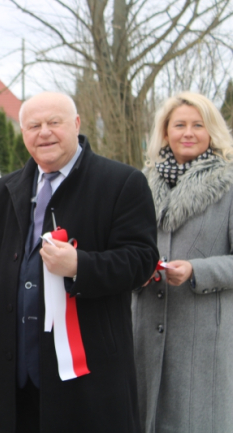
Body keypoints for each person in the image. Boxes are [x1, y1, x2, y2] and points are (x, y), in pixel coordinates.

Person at [0, 92, 159, 432]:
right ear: (23, 132)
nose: (44, 132)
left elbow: (141, 260)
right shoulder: (5, 190)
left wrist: (80, 265)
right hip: (12, 374)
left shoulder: (122, 182)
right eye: (34, 125)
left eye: (54, 122)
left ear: (76, 124)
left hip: (85, 376)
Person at [133, 92, 233, 433]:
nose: (187, 133)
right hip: (144, 331)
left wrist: (197, 270)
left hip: (204, 336)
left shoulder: (229, 185)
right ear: (165, 131)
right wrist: (137, 271)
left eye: (197, 125)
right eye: (179, 125)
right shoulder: (139, 185)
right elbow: (125, 249)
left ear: (212, 132)